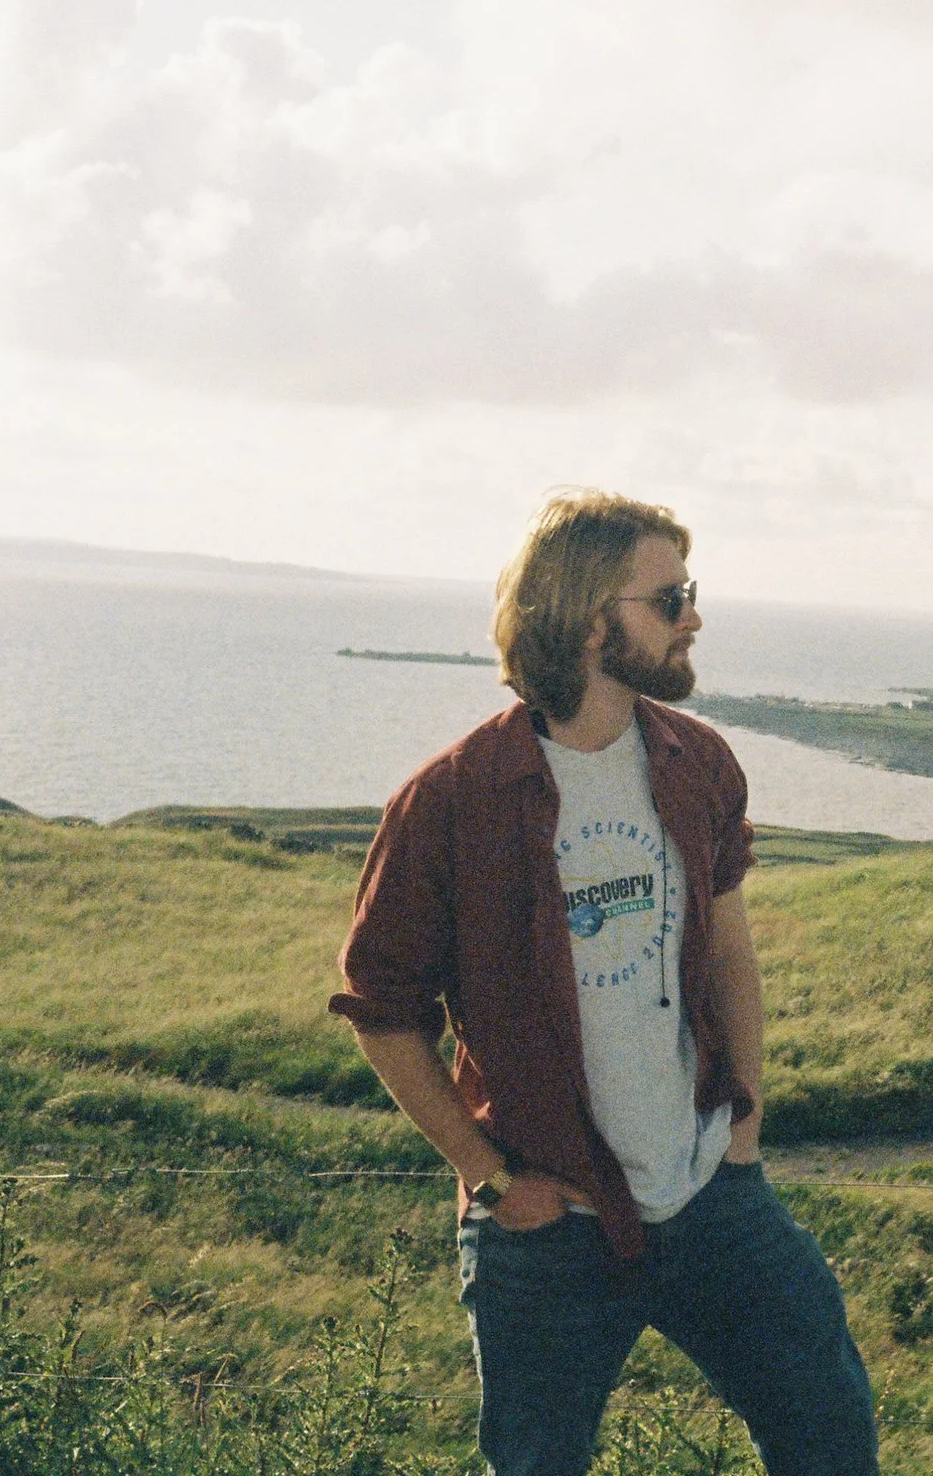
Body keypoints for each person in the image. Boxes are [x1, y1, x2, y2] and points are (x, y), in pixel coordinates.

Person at [329, 489, 878, 1476]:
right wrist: (490, 1179)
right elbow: (382, 1008)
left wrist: (742, 1126)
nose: (694, 615)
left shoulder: (695, 760)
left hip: (713, 1195)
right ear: (590, 619)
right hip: (550, 1230)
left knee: (830, 1433)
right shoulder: (452, 800)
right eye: (671, 597)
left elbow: (727, 950)